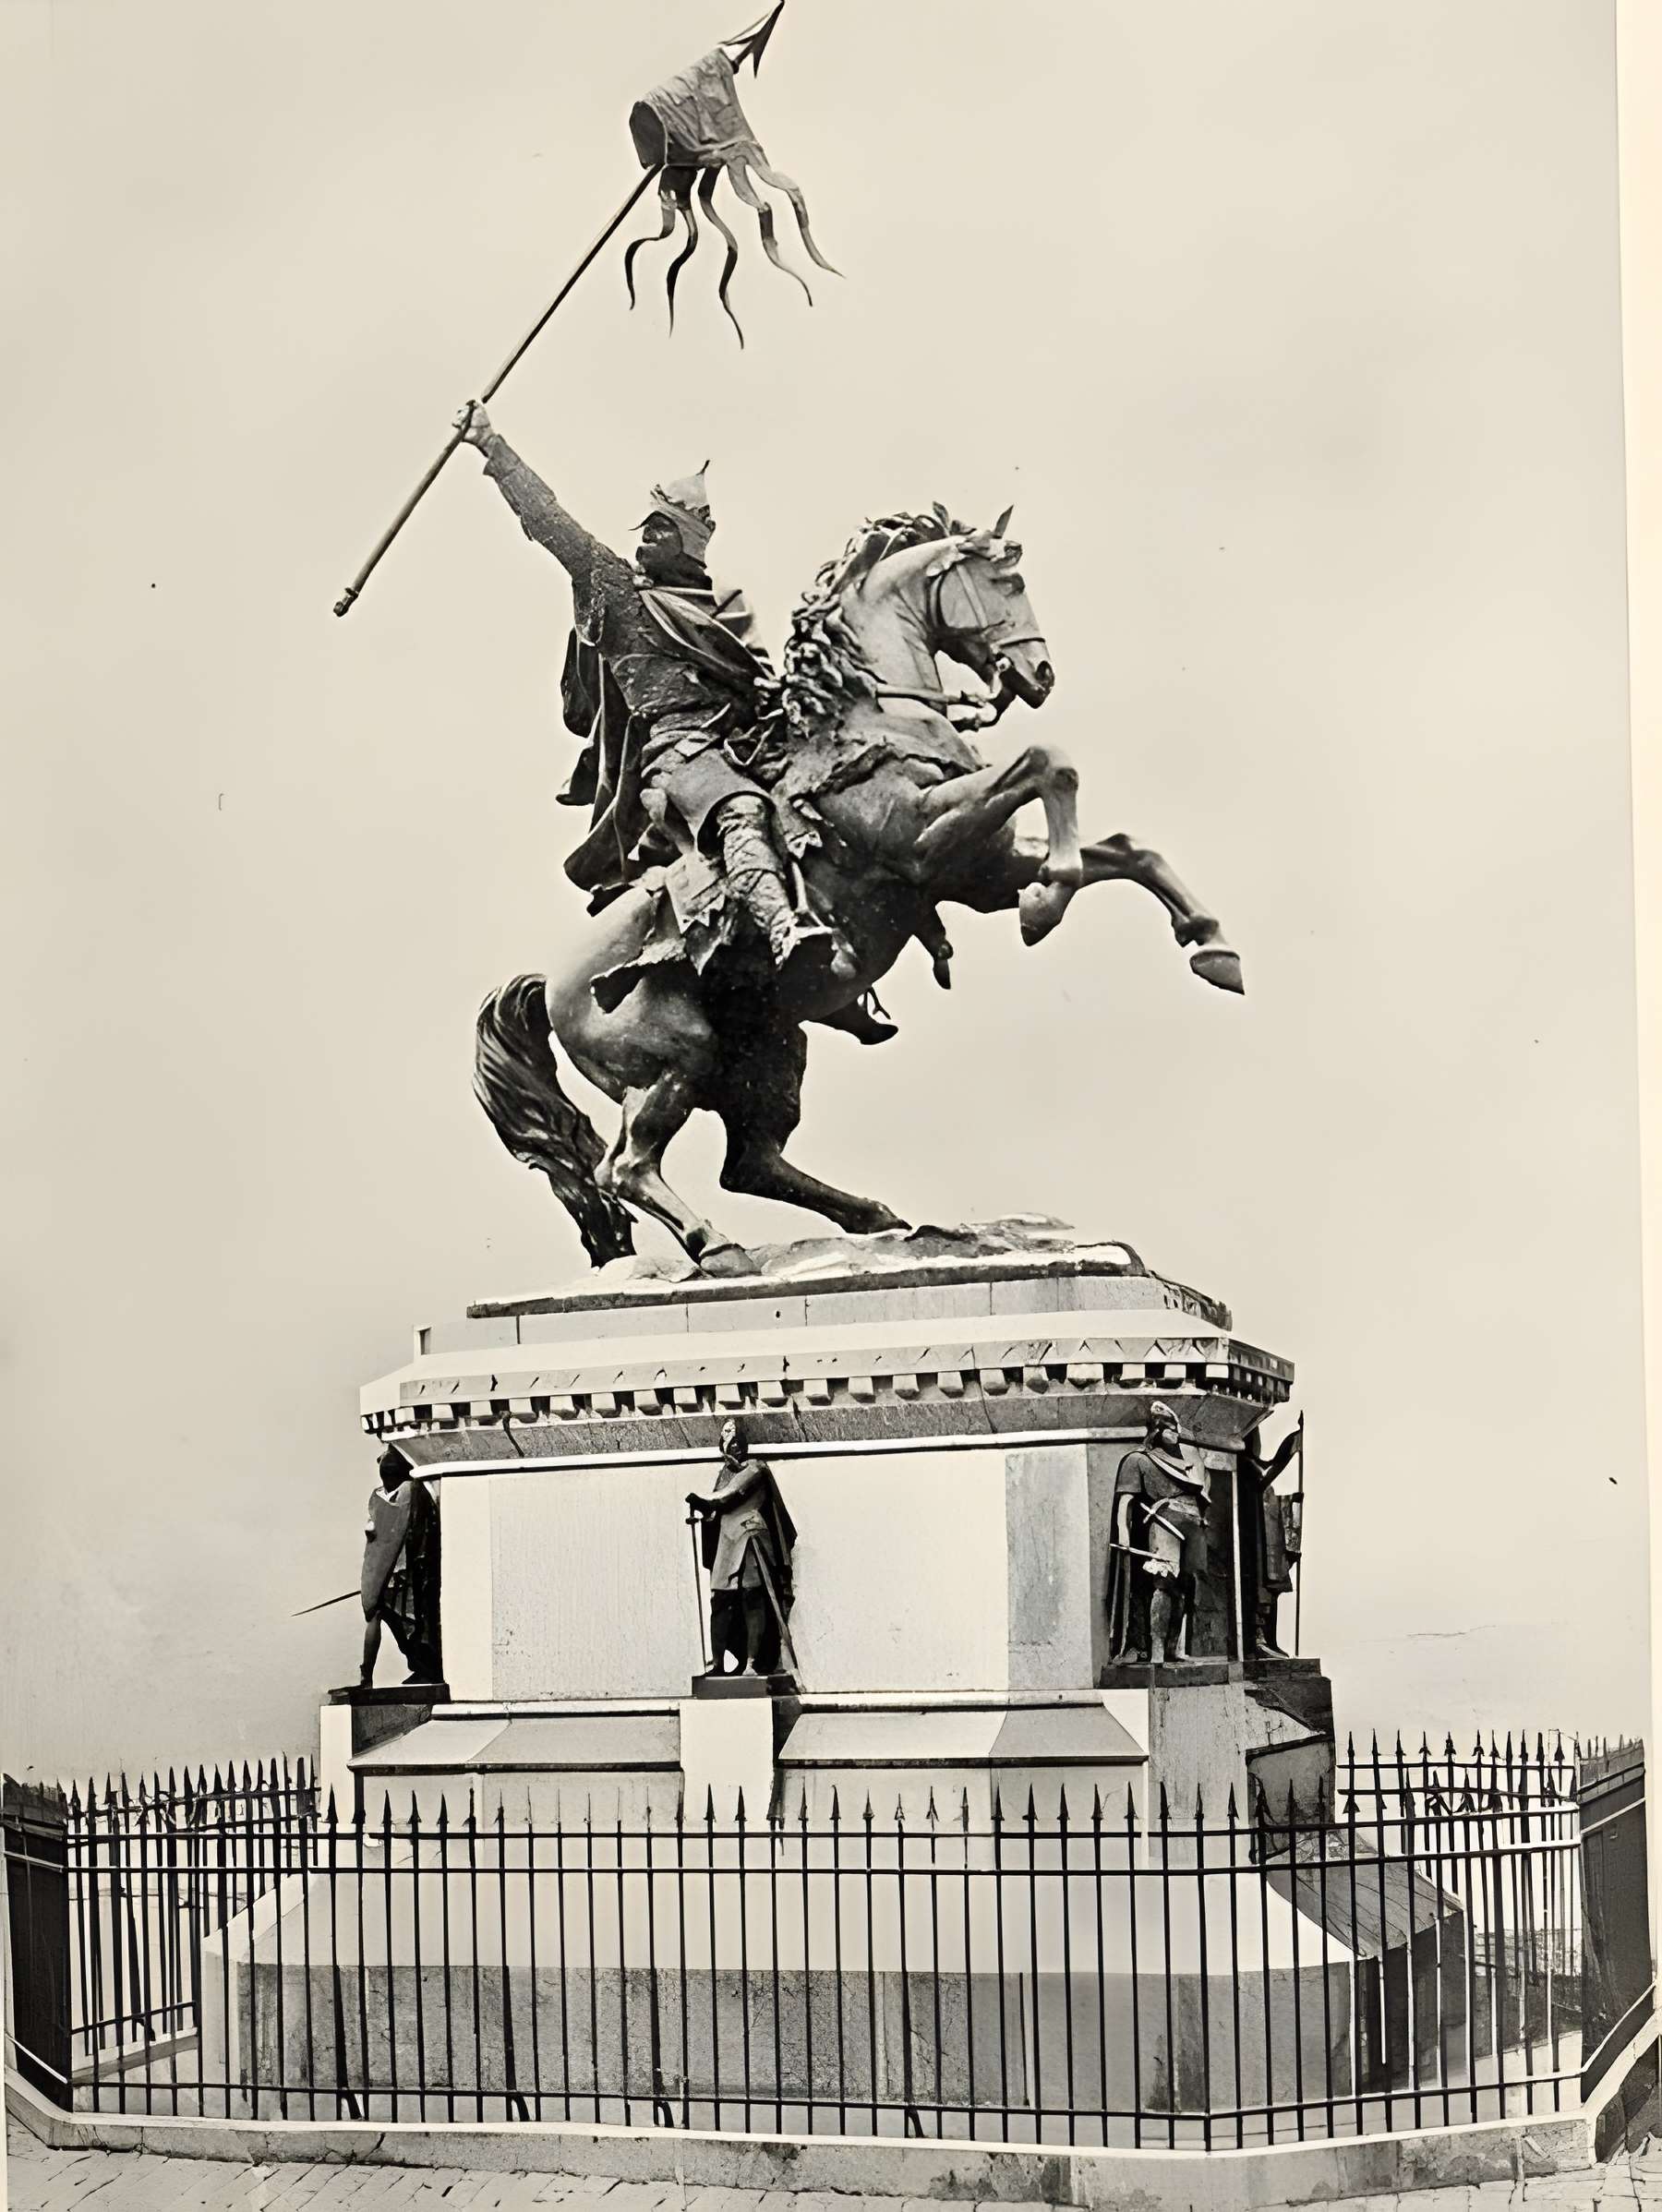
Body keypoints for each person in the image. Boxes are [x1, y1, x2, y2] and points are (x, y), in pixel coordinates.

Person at [454, 401, 854, 1001]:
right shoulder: (615, 590)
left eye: (662, 527)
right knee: (739, 811)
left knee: (830, 815)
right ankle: (785, 934)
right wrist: (495, 449)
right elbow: (550, 521)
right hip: (676, 756)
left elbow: (760, 690)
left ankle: (848, 972)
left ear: (690, 545)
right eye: (646, 524)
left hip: (738, 747)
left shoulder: (723, 608)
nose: (646, 535)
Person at [686, 1419, 797, 1677]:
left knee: (752, 1596)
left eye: (739, 1442)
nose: (736, 1447)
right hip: (727, 1543)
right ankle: (718, 1664)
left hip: (750, 1538)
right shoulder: (723, 1475)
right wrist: (705, 1515)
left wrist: (704, 1503)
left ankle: (752, 1662)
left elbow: (731, 1496)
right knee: (720, 1601)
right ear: (722, 1447)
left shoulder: (755, 1468)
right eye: (730, 1442)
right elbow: (717, 1508)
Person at [1105, 1401, 1210, 1665]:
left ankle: (1174, 1648)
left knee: (1186, 1589)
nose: (1175, 1434)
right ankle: (1157, 1651)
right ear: (1157, 1430)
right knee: (1163, 1585)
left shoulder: (1186, 1464)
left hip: (1192, 1523)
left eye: (1176, 1429)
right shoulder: (1138, 1460)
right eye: (1169, 1429)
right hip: (1163, 1523)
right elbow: (1125, 1501)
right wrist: (1123, 1534)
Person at [359, 1445, 442, 1688]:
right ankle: (368, 1675)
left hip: (405, 1572)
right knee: (387, 1618)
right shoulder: (384, 1496)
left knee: (408, 1623)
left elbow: (411, 1533)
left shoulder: (409, 1491)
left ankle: (422, 1667)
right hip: (388, 1573)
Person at [1239, 1424, 1303, 1657]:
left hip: (1266, 1547)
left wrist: (1294, 1504)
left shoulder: (1253, 1472)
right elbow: (1267, 1474)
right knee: (1261, 1593)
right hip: (1252, 1548)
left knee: (1271, 1593)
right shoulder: (1246, 1467)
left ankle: (1269, 1640)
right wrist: (1289, 1449)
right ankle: (1259, 1639)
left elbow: (1273, 1508)